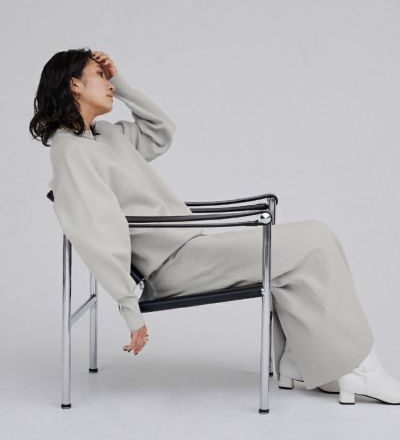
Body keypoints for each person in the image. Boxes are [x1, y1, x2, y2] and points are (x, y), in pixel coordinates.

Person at [30, 48, 400, 405]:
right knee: (314, 240)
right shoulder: (70, 151)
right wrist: (129, 307)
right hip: (171, 266)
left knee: (310, 247)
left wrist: (121, 82)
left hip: (194, 248)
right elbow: (95, 232)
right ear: (74, 84)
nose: (109, 84)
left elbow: (161, 131)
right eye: (99, 76)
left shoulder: (107, 135)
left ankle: (297, 360)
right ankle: (362, 369)